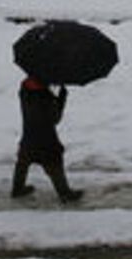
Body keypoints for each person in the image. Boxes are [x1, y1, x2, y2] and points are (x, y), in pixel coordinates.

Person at [11, 76, 84, 204]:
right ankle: (65, 193)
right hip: (46, 139)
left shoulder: (24, 89)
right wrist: (61, 97)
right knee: (54, 162)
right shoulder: (46, 96)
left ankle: (17, 189)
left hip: (29, 135)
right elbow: (55, 119)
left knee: (23, 161)